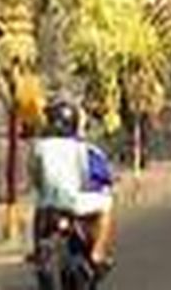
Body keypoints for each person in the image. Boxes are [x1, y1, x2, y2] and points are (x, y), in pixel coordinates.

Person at [30, 98, 116, 269]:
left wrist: (44, 189)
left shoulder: (39, 146)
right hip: (74, 200)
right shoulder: (80, 147)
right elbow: (86, 174)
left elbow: (35, 175)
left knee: (38, 210)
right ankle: (97, 253)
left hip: (48, 202)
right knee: (107, 205)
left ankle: (37, 248)